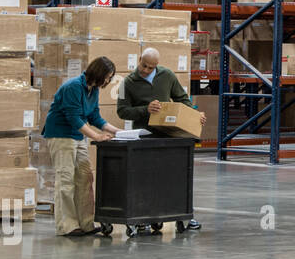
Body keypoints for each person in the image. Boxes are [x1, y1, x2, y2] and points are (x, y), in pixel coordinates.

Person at [117, 47, 205, 233]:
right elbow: (122, 111)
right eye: (144, 65)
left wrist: (195, 115)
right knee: (144, 178)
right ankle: (142, 218)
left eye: (151, 67)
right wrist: (145, 109)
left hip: (168, 135)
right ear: (139, 59)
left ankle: (184, 215)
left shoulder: (167, 76)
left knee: (175, 176)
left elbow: (182, 99)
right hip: (144, 137)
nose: (146, 70)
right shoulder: (127, 83)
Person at [42, 56, 119, 236]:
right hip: (61, 135)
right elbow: (74, 117)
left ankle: (86, 223)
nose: (107, 81)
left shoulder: (94, 90)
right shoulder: (74, 87)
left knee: (85, 177)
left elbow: (94, 117)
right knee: (66, 179)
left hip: (78, 135)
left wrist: (118, 132)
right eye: (107, 77)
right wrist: (97, 137)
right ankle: (67, 226)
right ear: (98, 73)